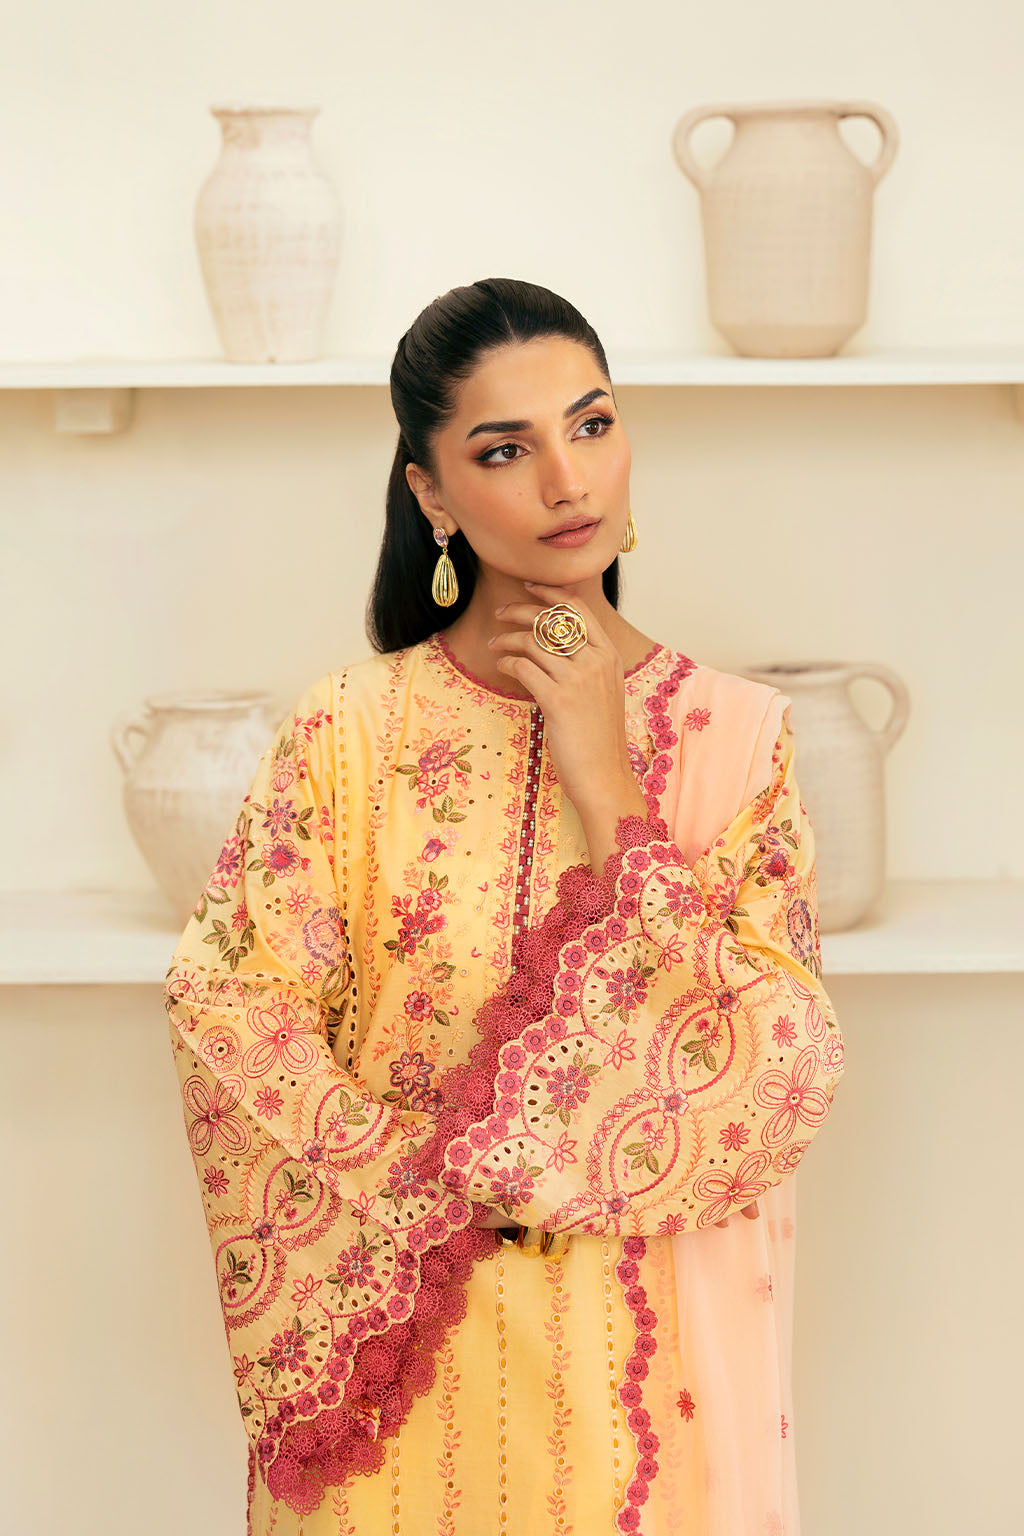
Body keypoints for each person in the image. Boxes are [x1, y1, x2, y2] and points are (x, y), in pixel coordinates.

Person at [163, 276, 846, 1535]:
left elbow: (765, 1069)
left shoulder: (737, 742)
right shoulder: (346, 733)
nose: (566, 483)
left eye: (591, 425)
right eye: (502, 449)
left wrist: (603, 774)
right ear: (430, 494)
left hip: (635, 1396)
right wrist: (421, 1196)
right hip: (394, 1371)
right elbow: (227, 1013)